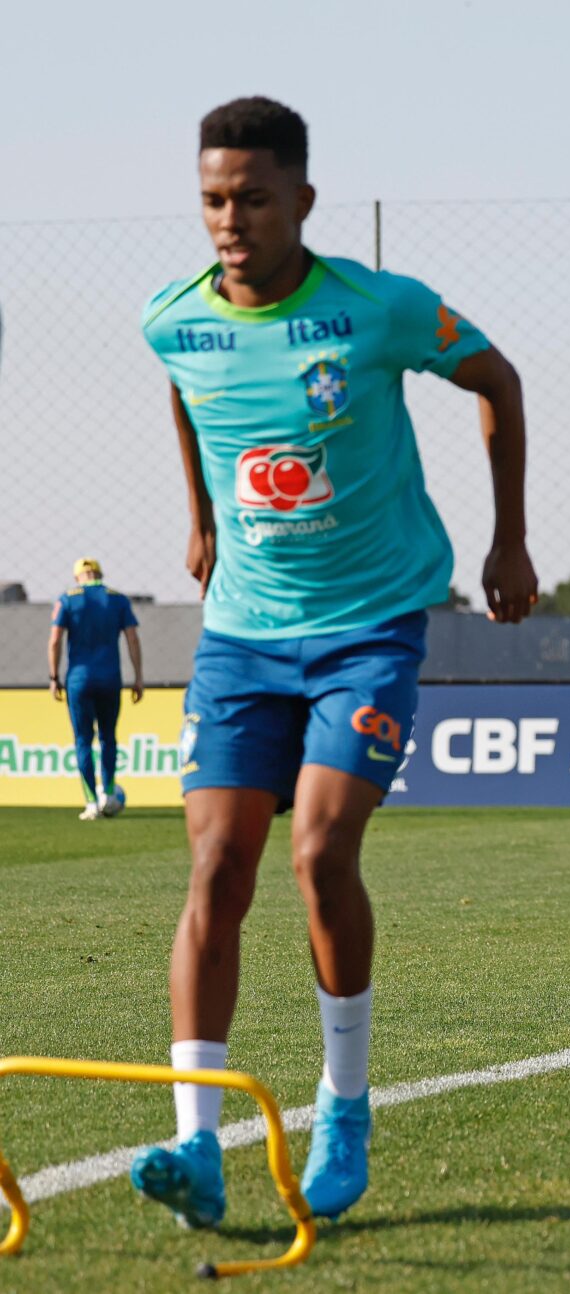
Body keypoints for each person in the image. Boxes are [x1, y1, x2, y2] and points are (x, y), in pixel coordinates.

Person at [129, 98, 538, 1229]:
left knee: (316, 850)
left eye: (253, 199)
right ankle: (196, 1144)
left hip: (369, 626)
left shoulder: (378, 310)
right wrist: (203, 516)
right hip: (243, 637)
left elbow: (497, 378)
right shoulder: (174, 321)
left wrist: (508, 536)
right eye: (213, 199)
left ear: (301, 200)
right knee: (216, 865)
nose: (230, 220)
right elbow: (184, 392)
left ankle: (344, 1105)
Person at [48, 557, 144, 819]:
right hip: (110, 678)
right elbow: (132, 638)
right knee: (108, 737)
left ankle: (91, 801)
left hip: (78, 679)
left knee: (83, 740)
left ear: (78, 576)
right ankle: (109, 795)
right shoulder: (117, 599)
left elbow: (55, 640)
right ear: (99, 573)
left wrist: (54, 676)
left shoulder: (67, 598)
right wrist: (138, 677)